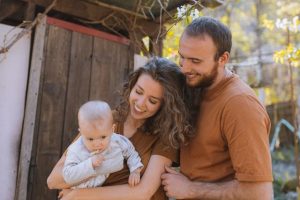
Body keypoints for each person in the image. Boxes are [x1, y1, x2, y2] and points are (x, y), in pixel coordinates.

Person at [47, 57, 193, 200]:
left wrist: (78, 195)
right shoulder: (105, 119)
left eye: (152, 100)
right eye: (139, 92)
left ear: (165, 105)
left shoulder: (166, 136)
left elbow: (144, 192)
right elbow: (54, 180)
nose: (141, 103)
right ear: (132, 86)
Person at [161, 16, 273, 199]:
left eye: (195, 61)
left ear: (223, 59)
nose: (184, 68)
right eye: (182, 57)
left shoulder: (240, 105)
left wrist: (190, 189)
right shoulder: (195, 86)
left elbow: (259, 193)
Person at [63, 100, 143, 189]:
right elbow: (68, 175)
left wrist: (135, 170)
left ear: (112, 129)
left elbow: (131, 152)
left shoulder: (116, 140)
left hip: (101, 190)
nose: (97, 144)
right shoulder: (76, 149)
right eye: (90, 139)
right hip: (80, 191)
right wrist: (90, 164)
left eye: (103, 137)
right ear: (81, 133)